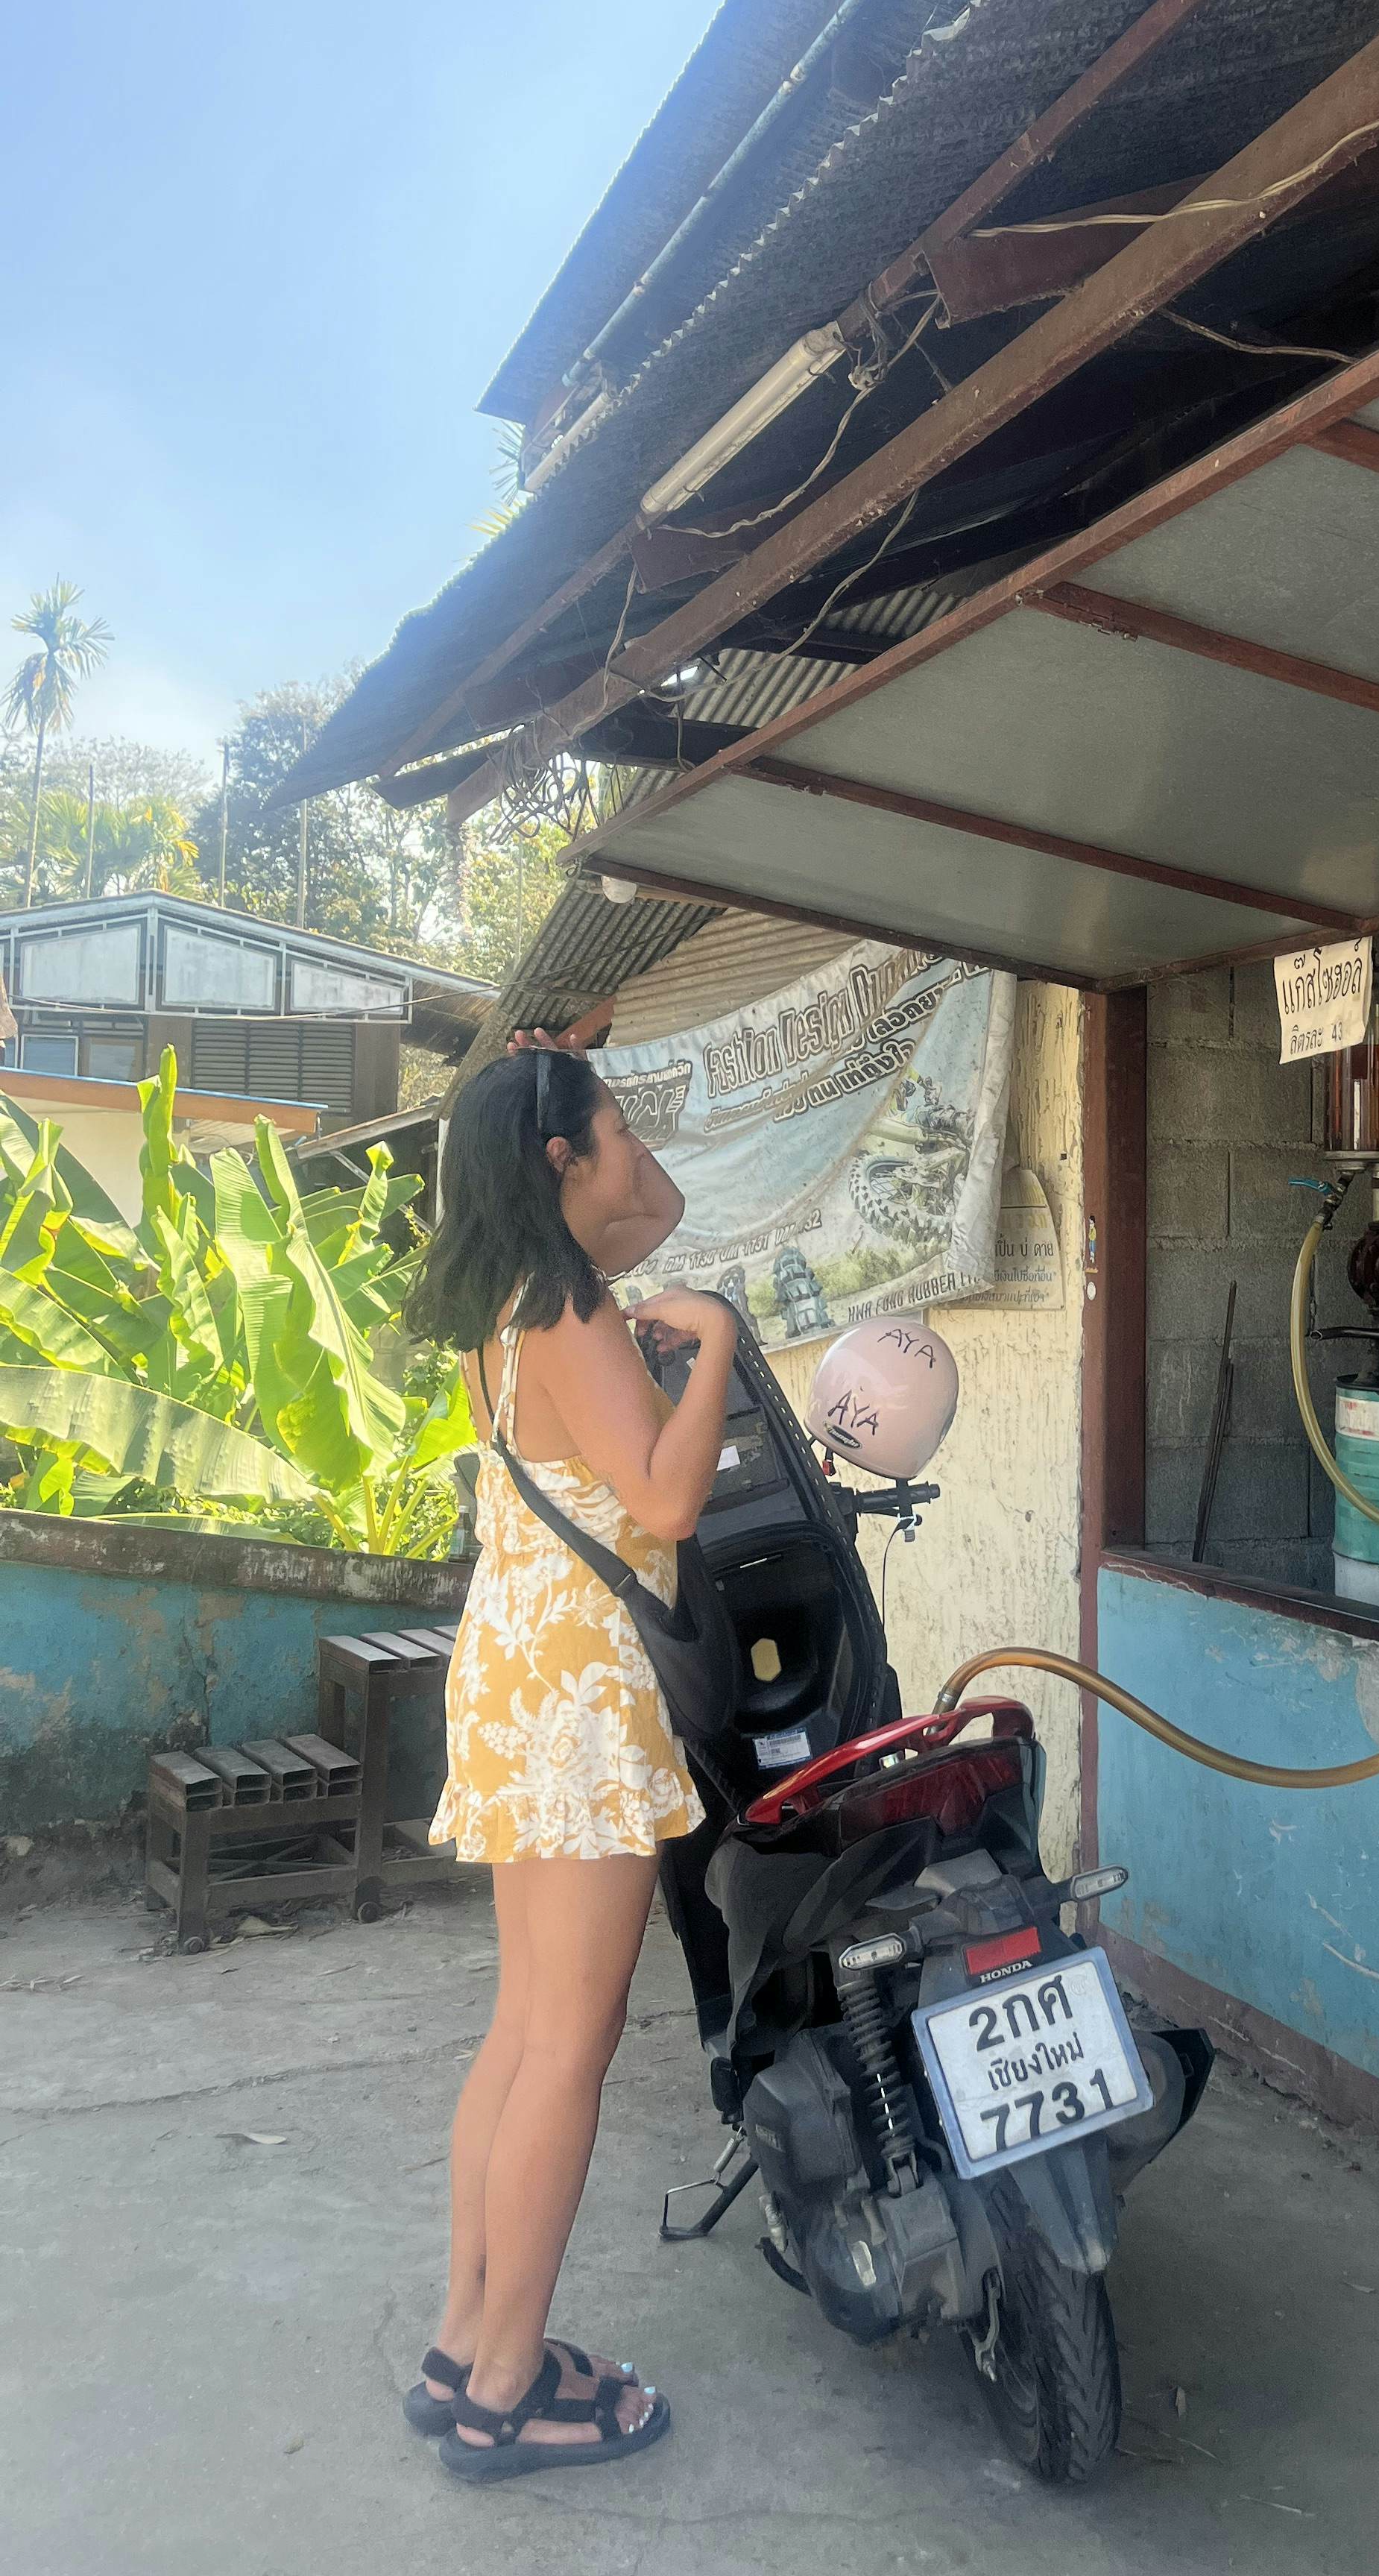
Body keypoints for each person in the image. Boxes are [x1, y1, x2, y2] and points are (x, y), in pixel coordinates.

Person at [400, 1033, 740, 2483]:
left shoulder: (509, 1302)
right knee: (573, 2048)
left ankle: (466, 2336)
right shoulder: (573, 1308)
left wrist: (572, 1109)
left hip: (511, 1665)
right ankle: (507, 2382)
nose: (633, 1152)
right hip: (583, 1694)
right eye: (611, 1126)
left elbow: (645, 1205)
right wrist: (714, 1340)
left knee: (525, 2031)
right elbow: (665, 1494)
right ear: (555, 1159)